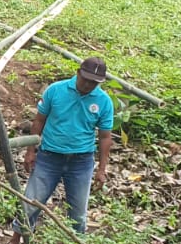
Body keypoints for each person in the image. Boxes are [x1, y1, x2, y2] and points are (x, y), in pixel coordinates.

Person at [23, 56, 114, 234]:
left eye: (94, 83)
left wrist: (102, 169)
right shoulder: (56, 90)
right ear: (78, 73)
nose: (88, 85)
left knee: (78, 212)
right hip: (49, 156)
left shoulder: (104, 101)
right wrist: (30, 151)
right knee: (31, 202)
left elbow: (105, 137)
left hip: (81, 161)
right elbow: (39, 120)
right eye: (86, 80)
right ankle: (18, 240)